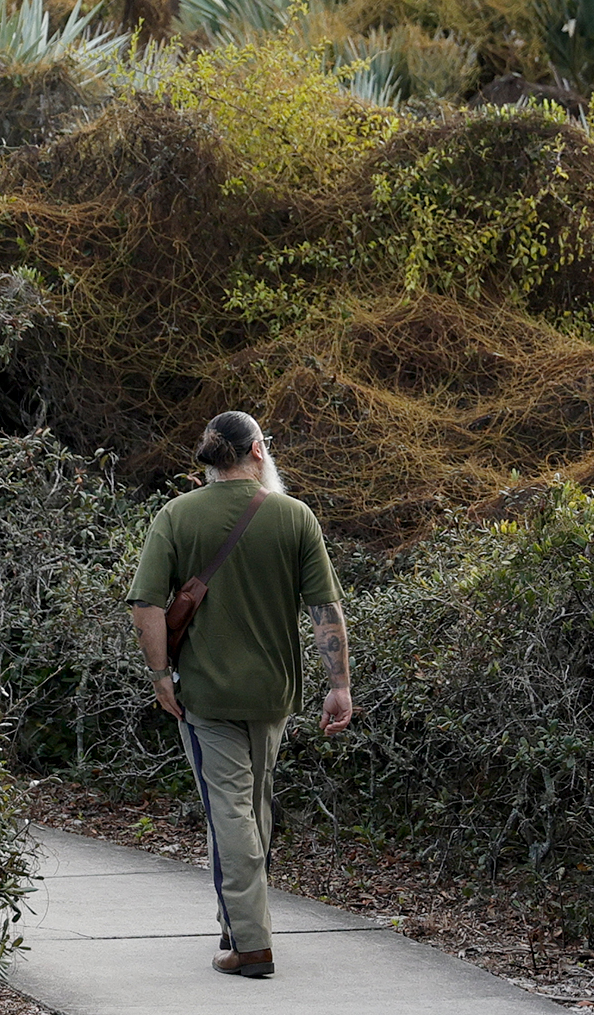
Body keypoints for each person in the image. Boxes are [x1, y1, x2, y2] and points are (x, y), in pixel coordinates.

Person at [125, 410, 351, 981]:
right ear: (256, 450)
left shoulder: (177, 515)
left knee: (228, 811)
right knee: (254, 809)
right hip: (273, 695)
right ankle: (243, 926)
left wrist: (160, 676)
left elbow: (147, 605)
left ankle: (250, 943)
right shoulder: (295, 517)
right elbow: (325, 610)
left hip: (207, 695)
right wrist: (339, 685)